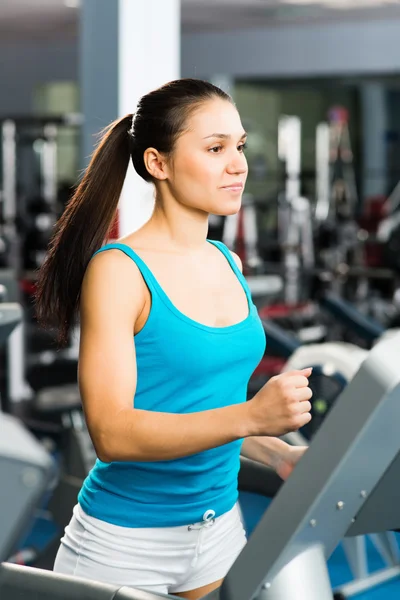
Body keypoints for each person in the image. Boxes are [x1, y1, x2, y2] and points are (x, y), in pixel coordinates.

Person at [35, 78, 312, 600]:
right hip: (123, 545)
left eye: (240, 146)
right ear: (158, 163)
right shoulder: (120, 271)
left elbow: (201, 410)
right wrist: (251, 415)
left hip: (218, 530)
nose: (238, 164)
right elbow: (112, 435)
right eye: (215, 148)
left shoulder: (227, 261)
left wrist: (277, 453)